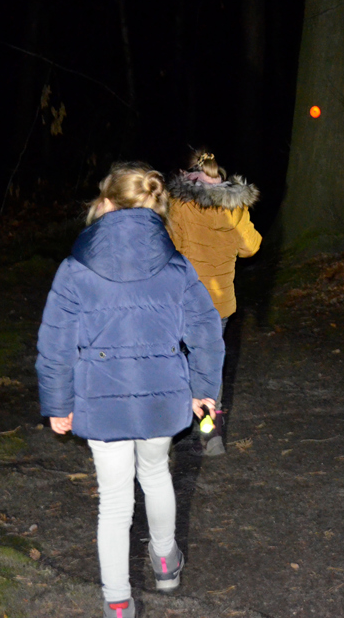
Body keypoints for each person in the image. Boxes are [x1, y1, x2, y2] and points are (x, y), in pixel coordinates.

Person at [35, 162, 225, 618]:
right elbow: (205, 330)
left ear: (106, 202)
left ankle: (117, 603)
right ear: (157, 207)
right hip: (164, 397)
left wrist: (58, 403)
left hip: (100, 399)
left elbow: (54, 342)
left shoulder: (74, 266)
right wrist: (204, 391)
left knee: (115, 500)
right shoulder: (177, 265)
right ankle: (165, 562)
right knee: (156, 473)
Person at [167, 149, 261, 455]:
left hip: (185, 301)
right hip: (219, 302)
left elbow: (169, 248)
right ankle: (211, 435)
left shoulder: (180, 205)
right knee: (209, 364)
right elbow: (250, 247)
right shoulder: (233, 205)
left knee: (177, 361)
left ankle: (169, 433)